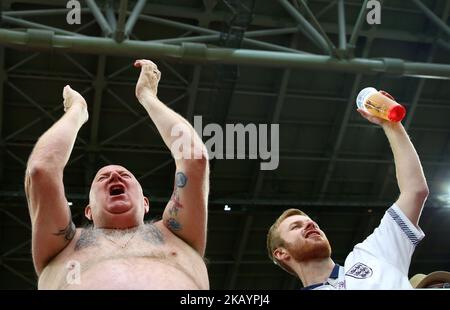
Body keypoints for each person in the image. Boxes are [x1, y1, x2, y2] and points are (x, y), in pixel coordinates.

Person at [25, 59, 210, 289]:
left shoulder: (176, 234)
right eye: (102, 178)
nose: (114, 177)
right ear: (89, 211)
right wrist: (76, 111)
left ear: (145, 203)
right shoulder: (66, 245)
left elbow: (194, 158)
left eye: (125, 175)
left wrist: (147, 96)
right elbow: (42, 170)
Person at [266, 98, 429, 289]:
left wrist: (391, 125)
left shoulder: (371, 254)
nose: (310, 223)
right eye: (295, 227)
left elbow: (415, 191)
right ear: (282, 253)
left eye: (310, 222)